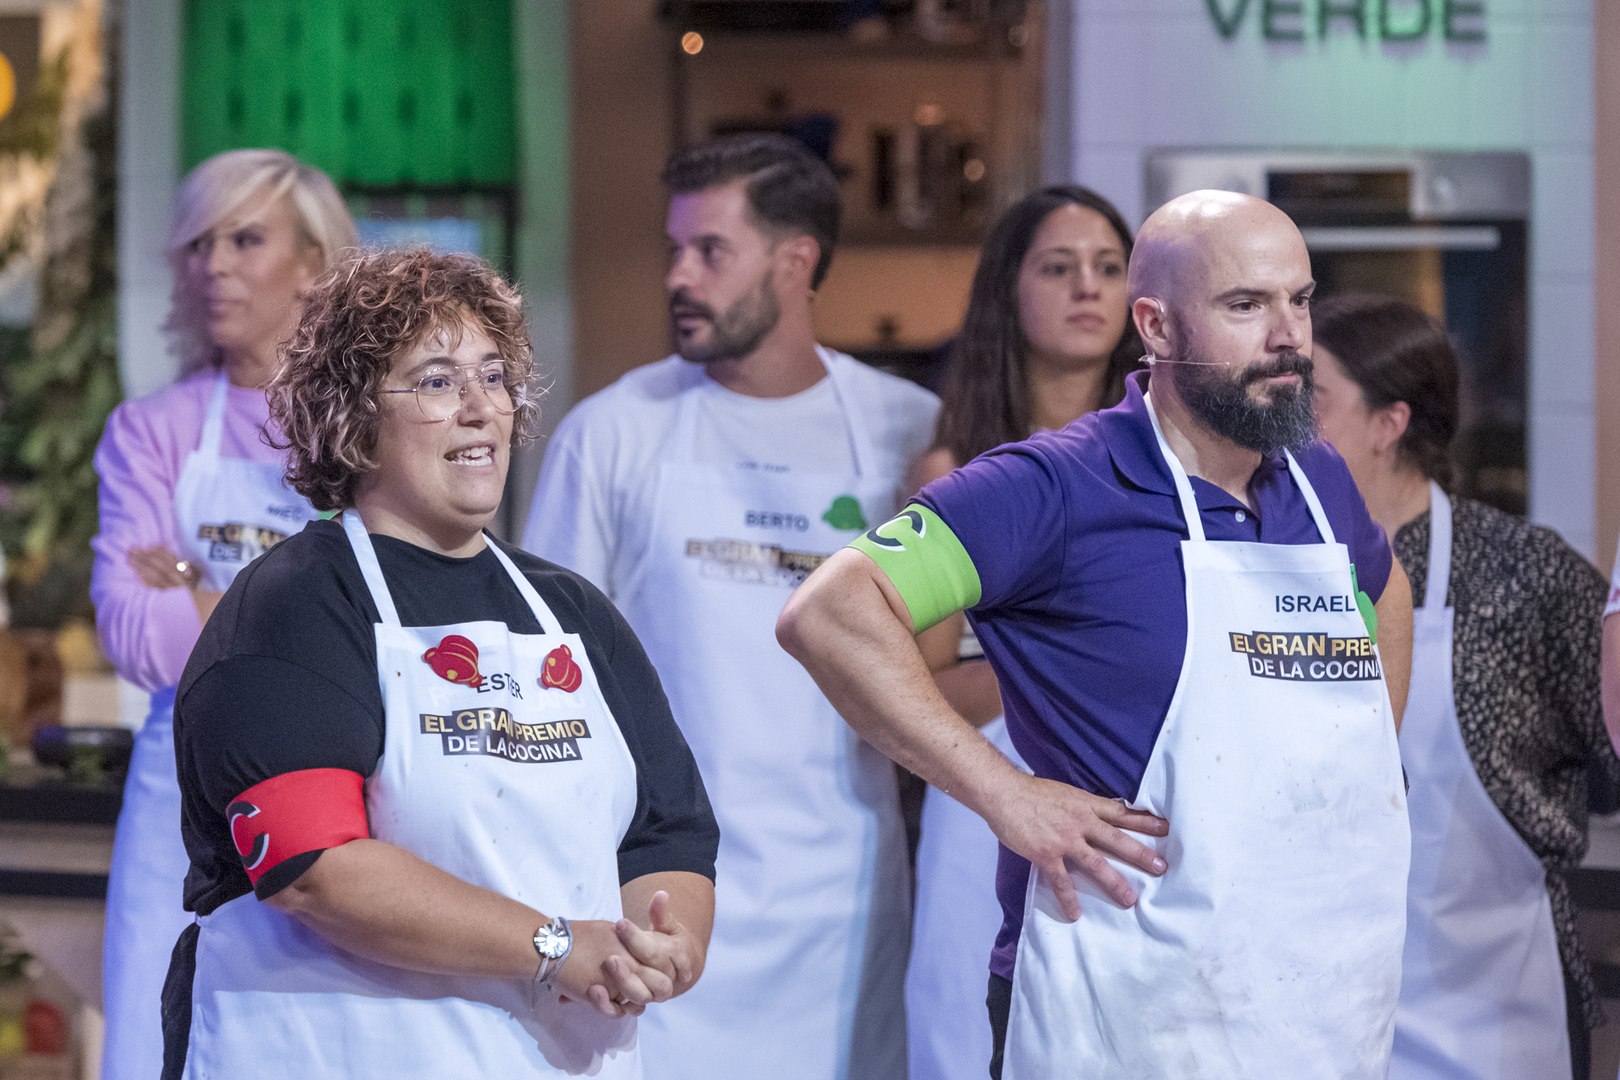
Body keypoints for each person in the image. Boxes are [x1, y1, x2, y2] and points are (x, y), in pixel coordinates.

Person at [779, 189, 1416, 1080]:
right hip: (1115, 1011)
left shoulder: (1315, 479)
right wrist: (1004, 793)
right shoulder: (1054, 485)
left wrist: (1365, 753)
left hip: (1312, 1006)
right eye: (1246, 306)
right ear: (1154, 325)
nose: (1289, 337)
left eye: (1299, 300)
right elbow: (831, 612)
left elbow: (1385, 590)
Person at [163, 248, 719, 1077]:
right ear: (354, 418)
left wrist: (659, 944)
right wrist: (554, 945)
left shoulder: (573, 615)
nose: (479, 409)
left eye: (493, 377)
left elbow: (663, 833)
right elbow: (316, 869)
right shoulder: (292, 606)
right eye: (435, 380)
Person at [523, 133, 938, 1080]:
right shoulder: (612, 434)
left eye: (711, 251)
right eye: (676, 249)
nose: (679, 274)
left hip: (844, 896)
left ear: (795, 263)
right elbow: (546, 678)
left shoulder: (904, 430)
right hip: (657, 894)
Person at [90, 148, 356, 1080]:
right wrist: (308, 610)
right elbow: (131, 630)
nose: (215, 264)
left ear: (314, 264)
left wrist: (200, 592)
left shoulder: (366, 428)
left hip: (348, 794)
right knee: (154, 1043)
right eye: (199, 244)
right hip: (178, 800)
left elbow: (393, 626)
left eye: (246, 239)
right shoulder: (150, 430)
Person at [1311, 294, 1616, 1080]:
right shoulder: (1268, 565)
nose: (1281, 423)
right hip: (1310, 1012)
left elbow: (1614, 762)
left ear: (1390, 424)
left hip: (1490, 1022)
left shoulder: (1525, 575)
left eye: (1309, 399)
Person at [904, 184, 1139, 1080]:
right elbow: (917, 687)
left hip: (1129, 801)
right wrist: (1069, 662)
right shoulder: (956, 470)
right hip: (989, 803)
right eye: (1059, 266)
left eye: (1109, 268)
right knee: (974, 1043)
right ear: (1011, 289)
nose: (1088, 287)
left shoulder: (1164, 468)